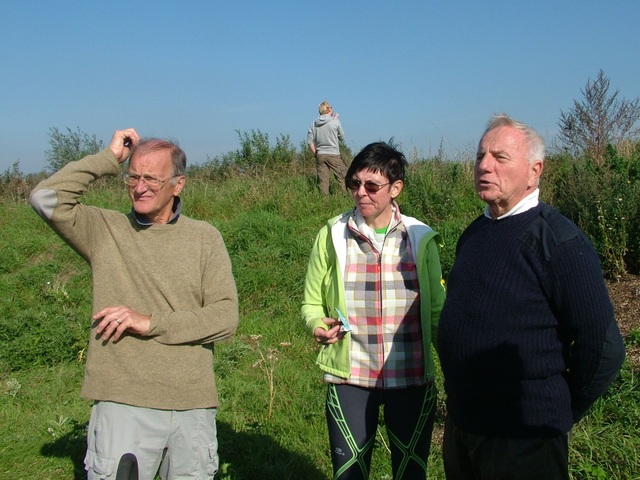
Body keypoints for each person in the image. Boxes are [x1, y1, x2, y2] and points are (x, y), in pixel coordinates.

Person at [30, 128, 239, 480]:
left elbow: (225, 317)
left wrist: (150, 322)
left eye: (152, 180)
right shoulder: (104, 229)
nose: (139, 187)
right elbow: (45, 198)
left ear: (178, 184)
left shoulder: (205, 237)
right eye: (133, 177)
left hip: (192, 405)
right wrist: (108, 158)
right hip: (123, 400)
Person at [437, 114, 626, 480]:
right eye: (480, 156)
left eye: (500, 157)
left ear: (534, 171)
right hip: (464, 429)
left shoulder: (558, 242)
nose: (484, 166)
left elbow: (604, 348)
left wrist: (559, 412)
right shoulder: (476, 233)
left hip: (523, 441)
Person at [301, 141, 446, 479]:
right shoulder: (332, 234)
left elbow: (438, 311)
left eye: (371, 186)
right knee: (349, 474)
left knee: (411, 473)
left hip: (411, 377)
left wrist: (454, 370)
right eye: (354, 184)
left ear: (396, 188)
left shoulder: (420, 237)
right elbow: (309, 303)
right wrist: (315, 325)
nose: (360, 193)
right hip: (350, 378)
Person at [307, 101, 347, 196]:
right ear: (329, 109)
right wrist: (335, 121)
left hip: (320, 154)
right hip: (333, 154)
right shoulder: (335, 122)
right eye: (331, 107)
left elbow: (309, 142)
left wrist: (316, 153)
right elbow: (342, 138)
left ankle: (325, 200)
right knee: (343, 176)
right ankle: (347, 197)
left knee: (323, 180)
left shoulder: (313, 124)